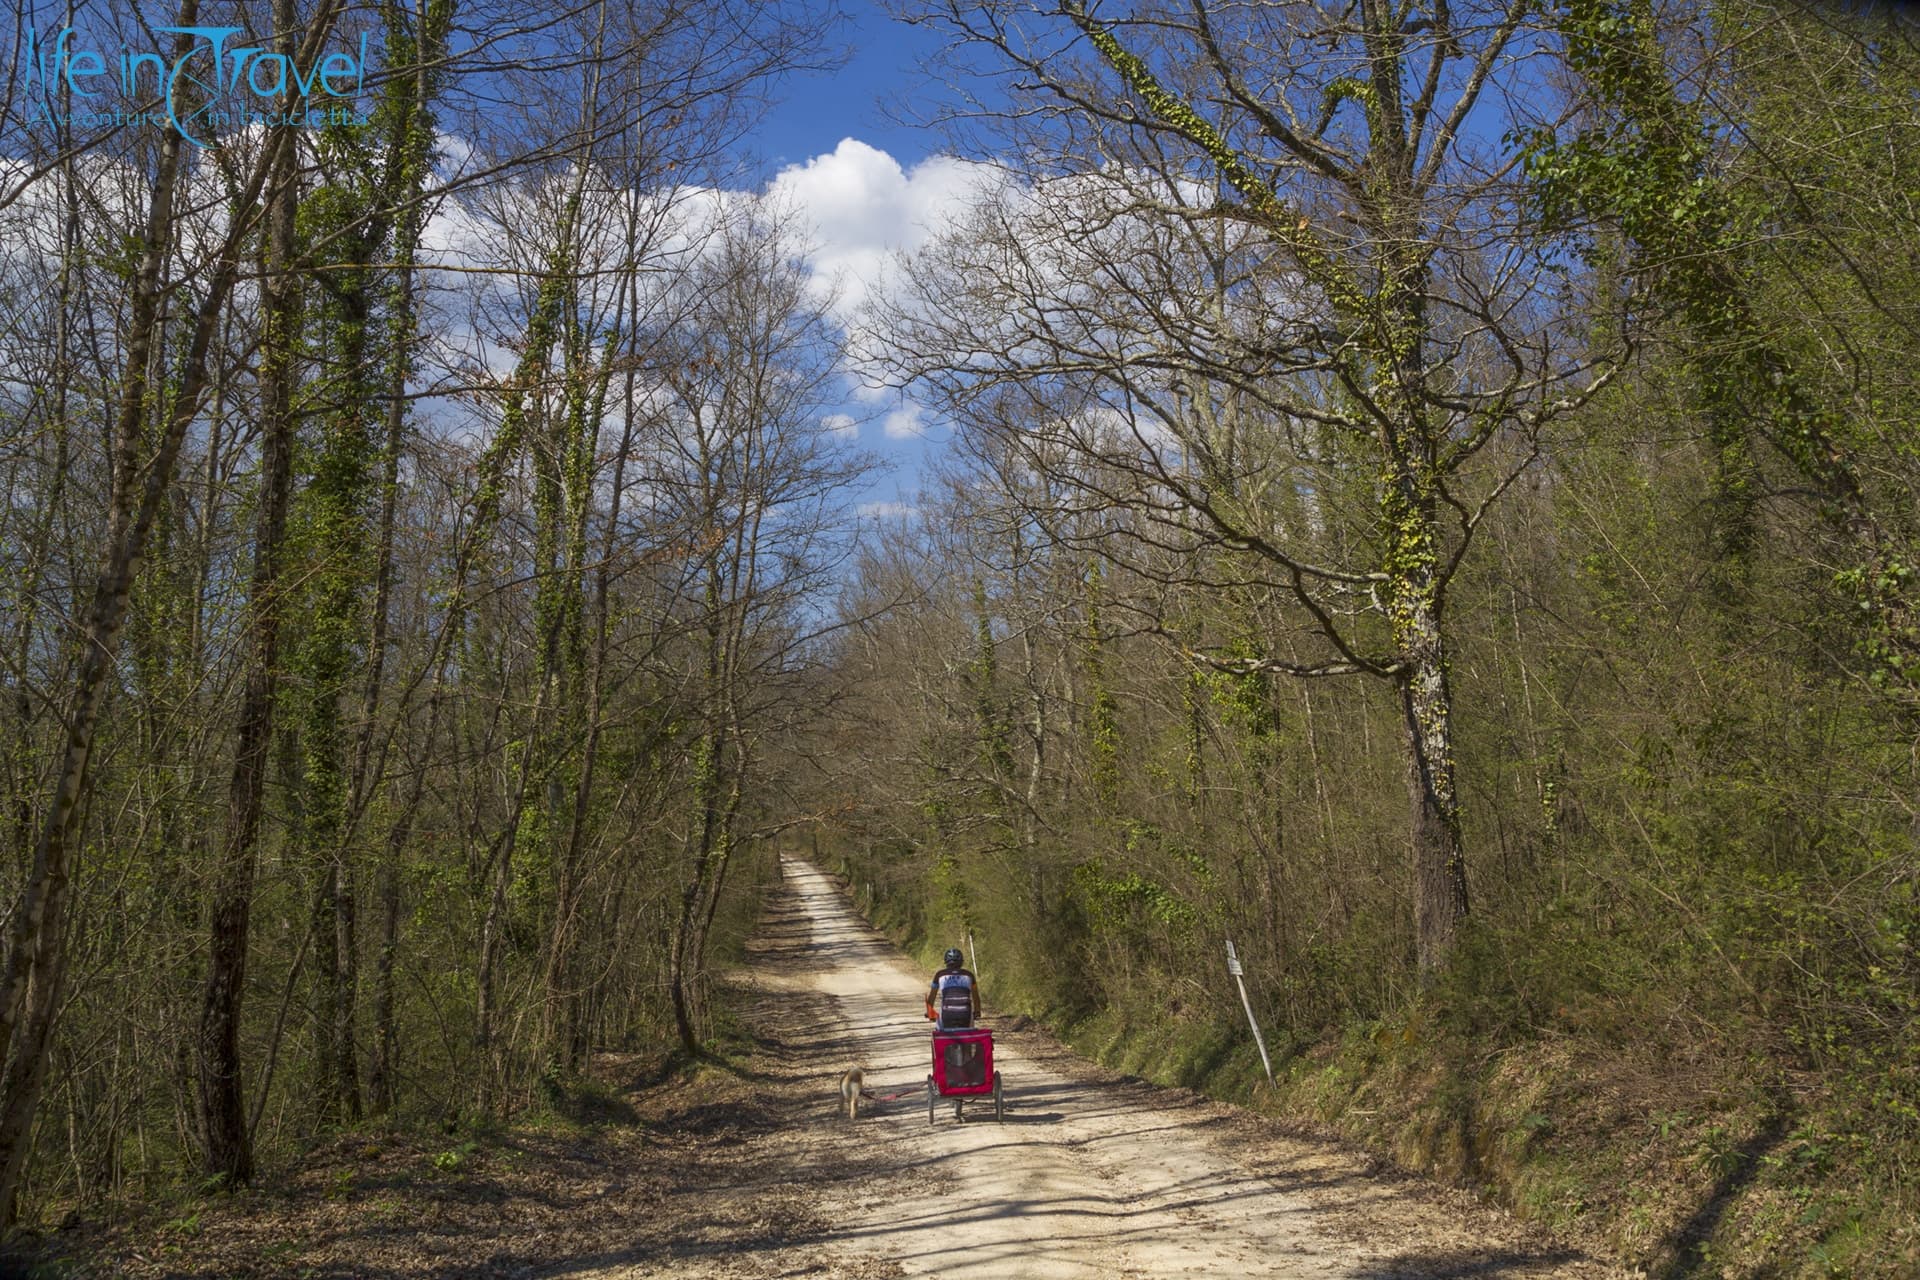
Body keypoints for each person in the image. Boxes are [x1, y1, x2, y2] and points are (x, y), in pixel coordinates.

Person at [926, 947, 980, 1030]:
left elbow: (932, 996)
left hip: (946, 1014)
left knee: (939, 1033)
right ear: (961, 962)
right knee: (969, 1034)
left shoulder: (940, 975)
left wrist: (930, 1013)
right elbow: (976, 997)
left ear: (946, 962)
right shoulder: (969, 975)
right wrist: (977, 1012)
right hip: (966, 1014)